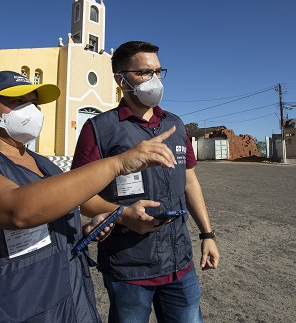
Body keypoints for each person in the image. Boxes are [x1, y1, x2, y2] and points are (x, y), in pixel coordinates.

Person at [0, 70, 178, 323]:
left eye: (33, 103)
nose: (30, 110)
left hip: (70, 303)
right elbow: (17, 210)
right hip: (12, 311)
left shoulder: (46, 166)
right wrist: (118, 164)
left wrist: (82, 230)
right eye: (18, 102)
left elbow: (46, 222)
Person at [72, 41, 220, 323]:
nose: (155, 79)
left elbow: (189, 182)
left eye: (158, 71)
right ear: (121, 79)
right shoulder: (99, 130)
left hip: (180, 265)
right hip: (129, 269)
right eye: (144, 72)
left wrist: (208, 235)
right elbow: (80, 195)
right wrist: (124, 215)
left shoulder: (175, 125)